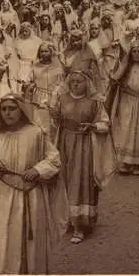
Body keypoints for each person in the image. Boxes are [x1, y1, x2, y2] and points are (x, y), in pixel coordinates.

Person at [0, 93, 68, 274]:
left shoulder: (36, 133)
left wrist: (37, 170)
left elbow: (54, 159)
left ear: (21, 110)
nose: (7, 113)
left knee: (31, 239)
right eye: (3, 109)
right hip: (3, 194)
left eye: (12, 108)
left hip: (31, 194)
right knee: (2, 236)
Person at [51, 70, 117, 244]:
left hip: (85, 147)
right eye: (72, 81)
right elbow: (56, 121)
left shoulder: (95, 102)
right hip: (65, 144)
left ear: (87, 83)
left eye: (79, 82)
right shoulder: (63, 98)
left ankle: (80, 225)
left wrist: (93, 126)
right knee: (64, 181)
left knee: (81, 182)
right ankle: (67, 219)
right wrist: (52, 110)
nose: (75, 84)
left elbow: (105, 123)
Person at [106, 40, 139, 175]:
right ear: (130, 54)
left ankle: (137, 163)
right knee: (126, 130)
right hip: (127, 103)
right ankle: (125, 162)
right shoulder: (126, 68)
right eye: (134, 52)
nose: (136, 54)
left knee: (138, 131)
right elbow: (115, 79)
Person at [24, 42, 64, 139]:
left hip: (54, 97)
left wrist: (56, 93)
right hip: (38, 98)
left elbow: (62, 83)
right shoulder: (35, 66)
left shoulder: (57, 67)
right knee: (40, 123)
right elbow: (28, 80)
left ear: (51, 52)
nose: (43, 54)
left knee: (52, 124)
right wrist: (30, 85)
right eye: (41, 51)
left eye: (46, 51)